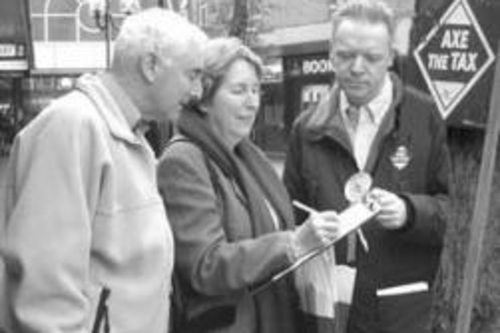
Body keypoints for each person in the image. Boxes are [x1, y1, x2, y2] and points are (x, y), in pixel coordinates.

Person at [0, 8, 207, 333]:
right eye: (192, 74)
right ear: (151, 65)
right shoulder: (72, 127)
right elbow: (45, 299)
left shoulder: (129, 135)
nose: (197, 91)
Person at [283, 1, 451, 333]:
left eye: (372, 57)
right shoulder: (306, 129)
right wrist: (305, 233)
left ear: (390, 56)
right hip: (327, 309)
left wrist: (409, 211)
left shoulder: (424, 116)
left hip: (399, 310)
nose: (357, 67)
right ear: (331, 53)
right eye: (345, 55)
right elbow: (290, 218)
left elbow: (450, 211)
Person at [157, 37, 341, 333]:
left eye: (256, 90)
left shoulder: (249, 156)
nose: (252, 102)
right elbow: (205, 266)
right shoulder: (183, 161)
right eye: (239, 90)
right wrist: (292, 244)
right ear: (203, 99)